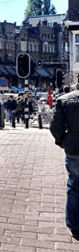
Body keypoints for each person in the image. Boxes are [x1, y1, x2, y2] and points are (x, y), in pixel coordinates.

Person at [50, 84, 79, 240]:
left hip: (74, 150)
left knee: (74, 187)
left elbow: (55, 127)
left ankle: (75, 226)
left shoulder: (65, 100)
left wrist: (63, 142)